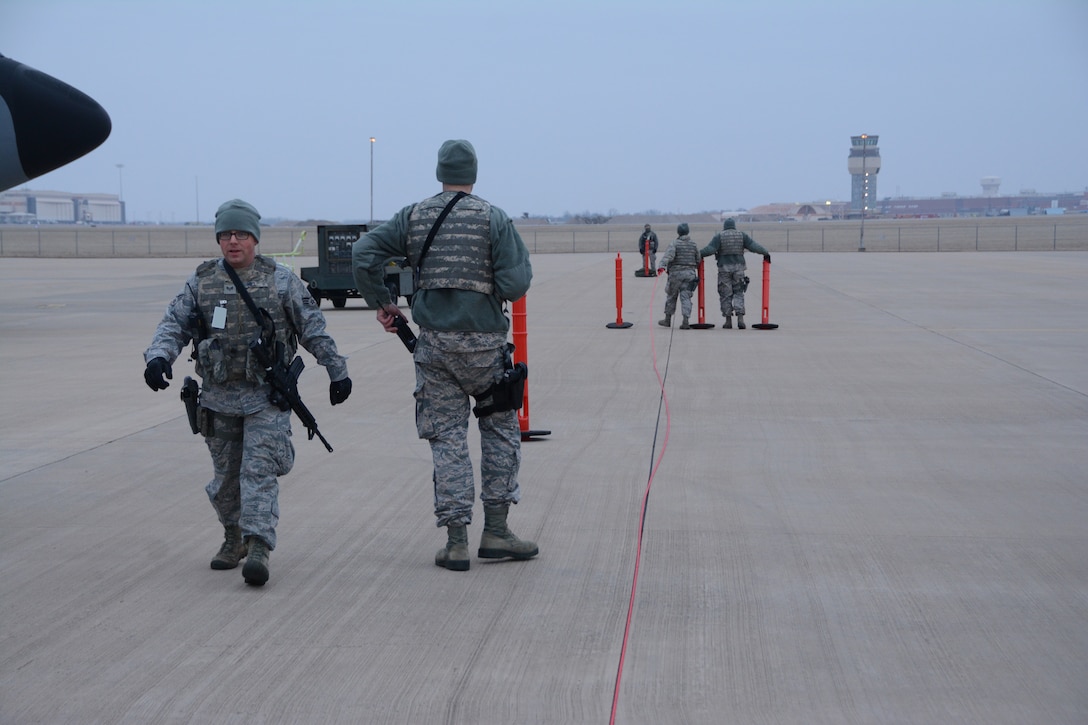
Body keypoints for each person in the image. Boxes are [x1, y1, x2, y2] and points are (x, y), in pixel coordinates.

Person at [143, 199, 352, 586]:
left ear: (255, 238)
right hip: (218, 399)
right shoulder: (203, 281)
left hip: (265, 398)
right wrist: (158, 357)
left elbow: (313, 329)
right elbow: (173, 324)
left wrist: (336, 371)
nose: (232, 241)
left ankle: (259, 547)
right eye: (225, 235)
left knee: (258, 472)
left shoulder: (281, 281)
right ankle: (233, 536)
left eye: (240, 234)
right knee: (225, 481)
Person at [350, 139, 537, 573]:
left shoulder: (413, 216)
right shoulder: (492, 218)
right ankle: (496, 532)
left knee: (448, 439)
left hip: (433, 346)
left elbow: (363, 253)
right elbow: (514, 286)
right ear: (474, 173)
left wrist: (383, 301)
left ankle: (455, 542)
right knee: (500, 433)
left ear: (440, 172)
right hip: (485, 348)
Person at [700, 217, 770, 329]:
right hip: (739, 268)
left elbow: (710, 249)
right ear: (734, 226)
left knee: (725, 294)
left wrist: (698, 254)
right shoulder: (742, 235)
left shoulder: (719, 236)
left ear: (725, 226)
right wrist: (765, 252)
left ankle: (728, 321)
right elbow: (753, 246)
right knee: (739, 292)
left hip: (724, 269)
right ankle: (740, 318)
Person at [656, 223, 700, 329]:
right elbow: (698, 259)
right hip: (689, 274)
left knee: (671, 296)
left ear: (678, 232)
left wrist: (662, 266)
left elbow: (668, 256)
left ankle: (667, 319)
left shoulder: (674, 243)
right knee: (686, 297)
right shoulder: (693, 244)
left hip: (676, 274)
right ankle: (686, 320)